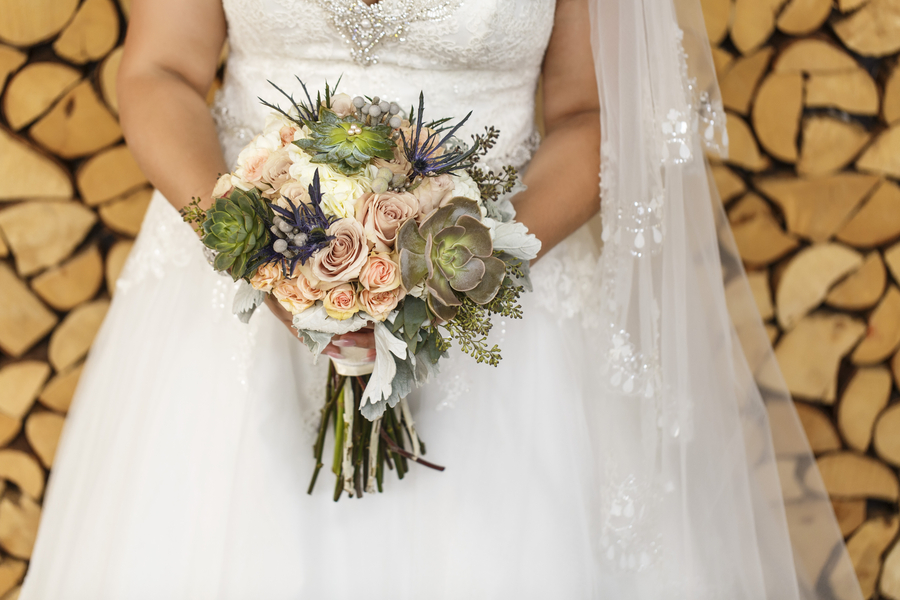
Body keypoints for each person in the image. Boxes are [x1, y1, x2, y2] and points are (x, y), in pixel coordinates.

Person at [19, 0, 863, 598]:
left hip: (495, 299)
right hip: (236, 302)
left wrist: (463, 268)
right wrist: (255, 246)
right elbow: (160, 69)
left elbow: (589, 112)